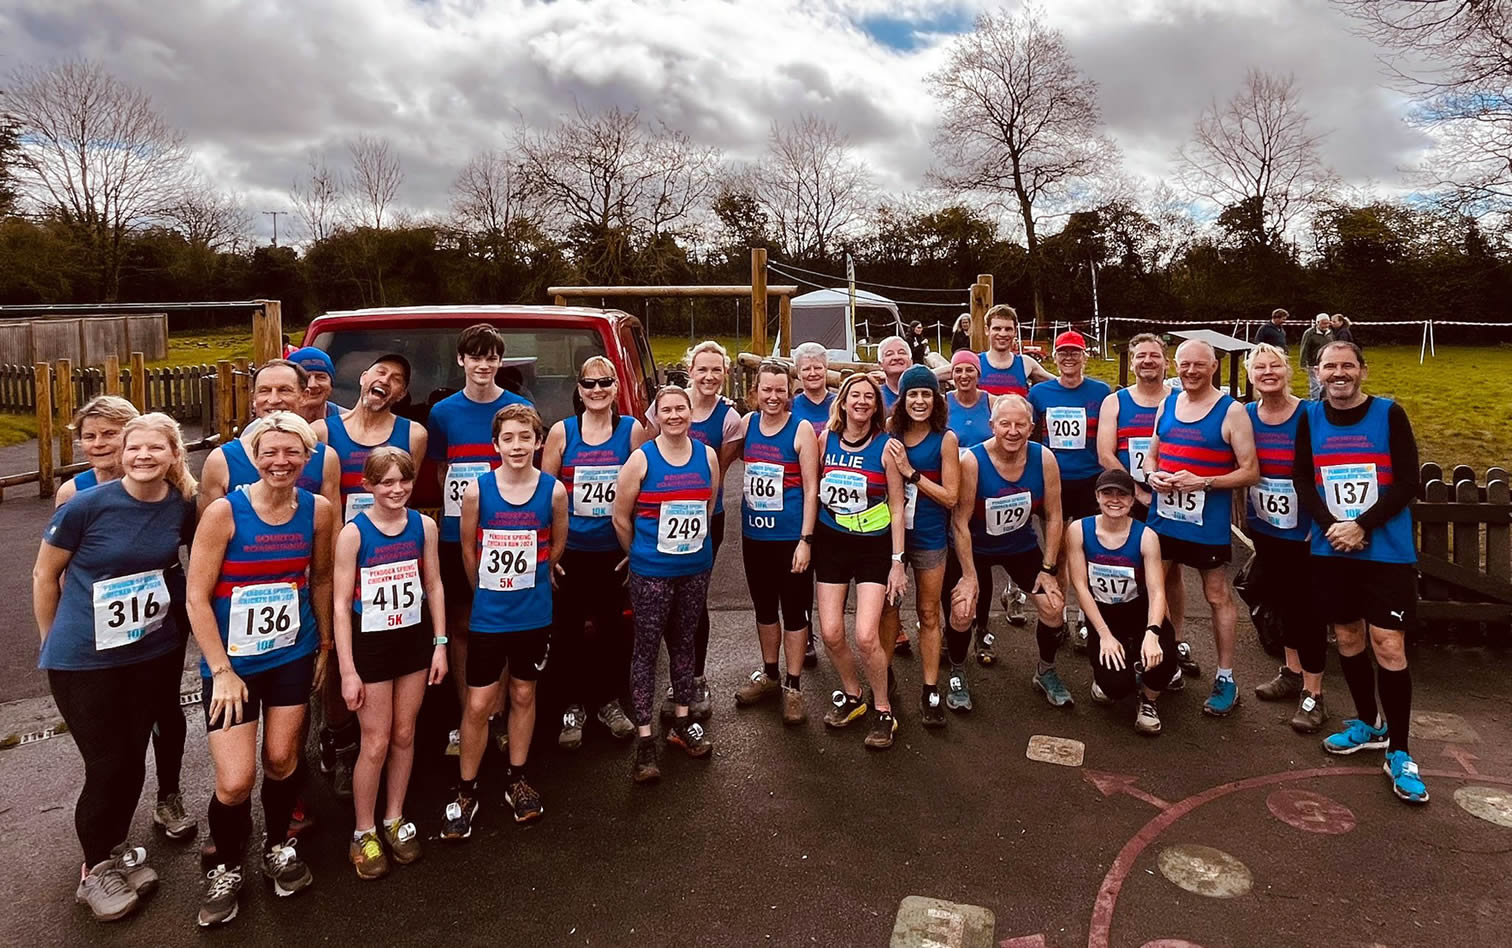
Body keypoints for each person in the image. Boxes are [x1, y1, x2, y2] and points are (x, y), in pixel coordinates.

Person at [32, 413, 197, 922]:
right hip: (84, 660)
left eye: (155, 448)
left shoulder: (179, 506)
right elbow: (45, 573)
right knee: (106, 766)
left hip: (145, 653)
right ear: (121, 454)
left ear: (173, 455)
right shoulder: (85, 505)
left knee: (129, 761)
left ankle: (114, 851)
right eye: (134, 448)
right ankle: (93, 872)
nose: (143, 456)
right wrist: (51, 641)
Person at [186, 411, 334, 928]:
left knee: (280, 758)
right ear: (253, 456)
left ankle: (277, 846)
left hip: (292, 654)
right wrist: (221, 669)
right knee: (233, 780)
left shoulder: (317, 511)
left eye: (292, 451)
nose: (281, 461)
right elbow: (196, 597)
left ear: (307, 456)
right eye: (270, 451)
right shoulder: (225, 513)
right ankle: (226, 866)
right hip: (232, 666)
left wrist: (327, 644)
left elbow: (319, 580)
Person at [1294, 341, 1426, 804]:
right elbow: (1303, 481)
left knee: (1387, 643)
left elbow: (1408, 481)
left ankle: (1401, 749)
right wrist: (1333, 527)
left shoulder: (1389, 414)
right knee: (1347, 638)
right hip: (1334, 550)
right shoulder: (1310, 418)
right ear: (1317, 372)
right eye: (1330, 366)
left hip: (1384, 550)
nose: (1339, 373)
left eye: (1347, 365)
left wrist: (1360, 524)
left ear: (1362, 371)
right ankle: (1369, 723)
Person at [443, 404, 566, 835]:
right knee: (478, 703)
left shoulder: (553, 491)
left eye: (525, 437)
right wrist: (484, 594)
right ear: (496, 444)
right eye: (508, 438)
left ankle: (517, 778)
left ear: (538, 441)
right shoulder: (477, 491)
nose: (517, 445)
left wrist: (539, 574)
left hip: (533, 613)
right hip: (490, 616)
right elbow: (466, 550)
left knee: (523, 694)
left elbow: (556, 544)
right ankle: (466, 787)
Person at [331, 447, 447, 879]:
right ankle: (364, 830)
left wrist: (439, 644)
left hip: (414, 641)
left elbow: (433, 584)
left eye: (404, 481)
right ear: (368, 487)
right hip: (371, 645)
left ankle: (394, 818)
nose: (396, 489)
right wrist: (347, 669)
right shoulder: (353, 534)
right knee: (375, 740)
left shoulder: (424, 526)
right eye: (386, 482)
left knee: (403, 733)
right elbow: (341, 605)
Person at [426, 324, 531, 755]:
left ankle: (499, 716)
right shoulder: (443, 413)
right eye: (476, 357)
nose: (484, 365)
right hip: (456, 538)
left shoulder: (520, 408)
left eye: (491, 358)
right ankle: (467, 715)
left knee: (502, 628)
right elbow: (440, 473)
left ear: (500, 362)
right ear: (462, 361)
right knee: (461, 628)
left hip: (507, 539)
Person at [1143, 340, 1259, 717]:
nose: (1190, 371)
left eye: (1199, 365)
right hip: (1164, 518)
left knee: (1215, 596)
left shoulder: (1232, 411)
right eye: (1184, 365)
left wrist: (1204, 482)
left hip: (1206, 522)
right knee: (1155, 590)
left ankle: (1226, 677)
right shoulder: (1168, 403)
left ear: (1214, 367)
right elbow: (1152, 453)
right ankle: (1163, 663)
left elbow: (1250, 471)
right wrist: (1151, 474)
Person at [613, 385, 719, 782]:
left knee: (684, 643)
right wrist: (638, 553)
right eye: (667, 410)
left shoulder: (706, 456)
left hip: (694, 568)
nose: (675, 416)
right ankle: (645, 739)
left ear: (691, 413)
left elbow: (708, 507)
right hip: (651, 572)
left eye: (681, 409)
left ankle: (681, 722)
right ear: (656, 416)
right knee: (645, 650)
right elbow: (621, 516)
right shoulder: (641, 460)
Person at [540, 356, 647, 748]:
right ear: (579, 390)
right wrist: (549, 552)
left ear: (616, 388)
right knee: (566, 632)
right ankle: (572, 705)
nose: (597, 390)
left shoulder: (631, 431)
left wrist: (635, 548)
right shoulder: (563, 433)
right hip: (571, 552)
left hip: (612, 552)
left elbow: (643, 492)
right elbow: (545, 494)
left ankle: (609, 702)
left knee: (615, 631)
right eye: (589, 384)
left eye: (605, 383)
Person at [944, 396, 1067, 712]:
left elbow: (1053, 516)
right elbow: (959, 521)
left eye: (1020, 424)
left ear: (1031, 427)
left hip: (1019, 545)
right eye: (1005, 424)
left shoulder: (1045, 459)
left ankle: (1046, 671)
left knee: (1053, 607)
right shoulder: (972, 461)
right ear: (992, 426)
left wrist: (1048, 568)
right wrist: (969, 576)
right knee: (962, 610)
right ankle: (957, 671)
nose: (1012, 431)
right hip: (976, 546)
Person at [813, 373, 909, 749]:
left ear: (876, 405)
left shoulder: (888, 447)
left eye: (869, 396)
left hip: (873, 546)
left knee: (866, 635)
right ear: (844, 401)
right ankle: (853, 695)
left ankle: (883, 710)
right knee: (832, 632)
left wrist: (897, 561)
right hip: (831, 542)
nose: (862, 401)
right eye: (856, 395)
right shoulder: (826, 440)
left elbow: (898, 507)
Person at [1096, 334, 1194, 683]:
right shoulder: (1116, 401)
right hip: (1129, 498)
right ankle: (1116, 637)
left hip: (1171, 499)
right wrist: (1138, 493)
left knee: (1170, 573)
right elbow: (1106, 454)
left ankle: (1174, 640)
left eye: (1155, 355)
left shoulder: (1181, 400)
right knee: (1120, 567)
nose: (1147, 361)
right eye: (1141, 356)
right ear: (1132, 361)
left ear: (1166, 362)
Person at [1243, 343, 1326, 733]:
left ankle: (1315, 693)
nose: (1267, 372)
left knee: (1307, 609)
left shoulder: (1310, 414)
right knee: (1279, 600)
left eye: (1274, 365)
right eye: (1259, 367)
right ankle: (1291, 672)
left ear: (1288, 370)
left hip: (1306, 530)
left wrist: (1322, 520)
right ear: (1250, 375)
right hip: (1266, 527)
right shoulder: (1246, 415)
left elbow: (1329, 466)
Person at [733, 361, 818, 725]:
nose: (772, 397)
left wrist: (806, 540)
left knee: (795, 612)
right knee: (765, 609)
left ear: (790, 392)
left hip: (789, 540)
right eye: (766, 389)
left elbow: (813, 489)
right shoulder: (748, 425)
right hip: (755, 537)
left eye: (780, 390)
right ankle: (770, 674)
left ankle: (793, 685)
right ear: (755, 392)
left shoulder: (800, 430)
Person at [1066, 468, 1179, 734]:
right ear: (1097, 496)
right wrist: (1103, 634)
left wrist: (1153, 632)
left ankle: (1149, 700)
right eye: (1108, 493)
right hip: (1104, 614)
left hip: (1137, 610)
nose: (1114, 500)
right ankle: (1111, 676)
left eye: (1122, 495)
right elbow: (1080, 586)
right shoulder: (1079, 530)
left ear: (1131, 500)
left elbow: (1157, 591)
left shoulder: (1147, 536)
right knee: (1115, 687)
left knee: (1163, 659)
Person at [881, 367, 959, 728]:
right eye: (913, 394)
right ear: (902, 399)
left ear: (936, 399)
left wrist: (911, 472)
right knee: (888, 609)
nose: (919, 401)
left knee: (928, 613)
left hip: (929, 537)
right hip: (891, 537)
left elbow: (950, 497)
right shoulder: (890, 434)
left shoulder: (945, 440)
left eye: (926, 394)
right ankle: (884, 676)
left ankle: (930, 688)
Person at [680, 340, 743, 721]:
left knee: (695, 596)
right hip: (662, 515)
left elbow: (717, 476)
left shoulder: (729, 420)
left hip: (706, 517)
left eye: (716, 370)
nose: (708, 376)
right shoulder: (667, 405)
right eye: (702, 369)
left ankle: (696, 675)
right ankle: (677, 675)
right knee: (666, 597)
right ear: (690, 371)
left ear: (724, 374)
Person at [199, 359, 341, 513]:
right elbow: (206, 530)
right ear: (254, 398)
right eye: (264, 390)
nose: (274, 400)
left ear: (304, 396)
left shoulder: (326, 458)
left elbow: (333, 531)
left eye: (284, 390)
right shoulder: (221, 460)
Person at [313, 353, 428, 524]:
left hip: (388, 538)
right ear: (363, 377)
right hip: (337, 534)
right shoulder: (321, 431)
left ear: (402, 394)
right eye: (381, 372)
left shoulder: (414, 434)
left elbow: (405, 495)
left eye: (396, 379)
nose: (385, 380)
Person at [54, 395, 138, 507]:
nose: (98, 444)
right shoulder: (72, 492)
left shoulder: (159, 485)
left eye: (109, 434)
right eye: (90, 436)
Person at [977, 304, 1053, 398]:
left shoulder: (1026, 363)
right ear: (987, 330)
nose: (1003, 334)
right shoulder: (975, 362)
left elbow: (1060, 384)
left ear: (1015, 332)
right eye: (997, 328)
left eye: (1008, 329)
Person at [946, 349, 994, 449]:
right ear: (952, 375)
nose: (963, 376)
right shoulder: (943, 402)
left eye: (969, 370)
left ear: (978, 374)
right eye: (958, 371)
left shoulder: (992, 403)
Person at [790, 342, 836, 441]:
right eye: (806, 369)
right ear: (798, 373)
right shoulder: (790, 406)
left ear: (826, 370)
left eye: (818, 368)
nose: (813, 373)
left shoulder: (839, 403)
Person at [288, 346, 340, 422]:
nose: (312, 385)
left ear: (331, 383)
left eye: (320, 377)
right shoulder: (276, 423)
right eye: (305, 378)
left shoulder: (348, 423)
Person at [874, 335, 913, 417]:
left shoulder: (924, 394)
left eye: (902, 352)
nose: (896, 357)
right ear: (880, 364)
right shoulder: (876, 396)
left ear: (911, 361)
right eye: (889, 354)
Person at [1299, 314, 1333, 400]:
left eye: (1327, 323)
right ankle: (1315, 401)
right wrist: (1303, 363)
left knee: (1325, 383)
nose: (1326, 326)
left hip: (1327, 363)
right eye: (1323, 323)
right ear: (1317, 323)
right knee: (1315, 385)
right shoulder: (1309, 333)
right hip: (1313, 363)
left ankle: (1324, 400)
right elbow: (1304, 348)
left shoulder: (1330, 333)